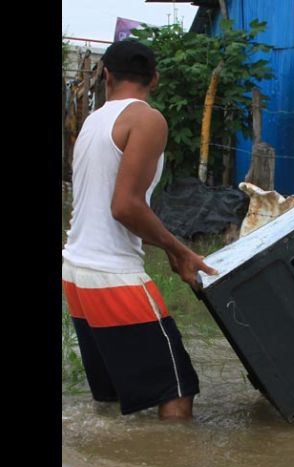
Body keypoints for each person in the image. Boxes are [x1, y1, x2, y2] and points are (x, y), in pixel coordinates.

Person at [62, 39, 217, 419]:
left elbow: (114, 203)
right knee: (176, 391)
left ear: (107, 75)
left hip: (77, 274)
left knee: (113, 398)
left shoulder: (92, 121)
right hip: (113, 275)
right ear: (155, 79)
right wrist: (181, 250)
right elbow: (126, 206)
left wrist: (166, 248)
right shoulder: (147, 119)